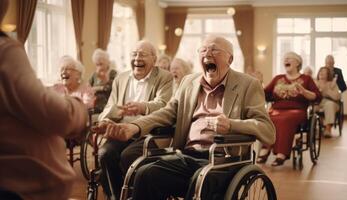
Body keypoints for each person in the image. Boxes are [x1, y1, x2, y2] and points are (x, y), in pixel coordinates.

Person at [95, 35, 276, 199]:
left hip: (223, 161)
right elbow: (167, 112)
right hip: (187, 155)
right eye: (203, 50)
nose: (208, 54)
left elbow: (267, 130)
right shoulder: (189, 82)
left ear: (230, 59)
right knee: (145, 173)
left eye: (214, 49)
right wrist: (133, 127)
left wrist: (231, 125)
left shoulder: (247, 85)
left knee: (202, 181)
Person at [0, 1, 88, 199]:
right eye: (63, 69)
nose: (65, 72)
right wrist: (78, 109)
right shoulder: (5, 51)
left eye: (69, 69)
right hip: (20, 187)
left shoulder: (84, 88)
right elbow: (60, 116)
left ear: (78, 74)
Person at [97, 40, 173, 200]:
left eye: (143, 54)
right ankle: (116, 196)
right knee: (105, 154)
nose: (137, 58)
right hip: (122, 131)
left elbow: (163, 104)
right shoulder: (121, 78)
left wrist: (142, 107)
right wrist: (104, 120)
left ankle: (136, 195)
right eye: (134, 54)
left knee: (128, 156)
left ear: (154, 59)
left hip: (149, 133)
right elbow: (111, 105)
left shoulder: (165, 77)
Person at [260, 51, 321, 166]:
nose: (286, 60)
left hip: (297, 110)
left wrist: (304, 91)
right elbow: (264, 94)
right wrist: (258, 84)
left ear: (298, 63)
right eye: (285, 58)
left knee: (285, 119)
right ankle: (265, 148)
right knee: (266, 117)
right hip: (277, 109)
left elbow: (317, 96)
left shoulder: (306, 79)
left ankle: (281, 154)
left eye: (289, 58)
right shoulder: (278, 78)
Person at [89, 48, 117, 113]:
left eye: (101, 64)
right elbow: (88, 88)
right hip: (95, 104)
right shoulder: (94, 75)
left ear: (107, 62)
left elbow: (109, 88)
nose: (99, 67)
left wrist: (104, 81)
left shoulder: (113, 73)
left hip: (108, 103)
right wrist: (100, 88)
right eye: (97, 64)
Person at [315, 67, 341, 138]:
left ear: (328, 75)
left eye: (324, 72)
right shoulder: (315, 83)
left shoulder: (332, 84)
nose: (321, 73)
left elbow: (337, 97)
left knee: (329, 105)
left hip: (331, 102)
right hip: (318, 103)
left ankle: (328, 129)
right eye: (320, 71)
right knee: (310, 107)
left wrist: (327, 90)